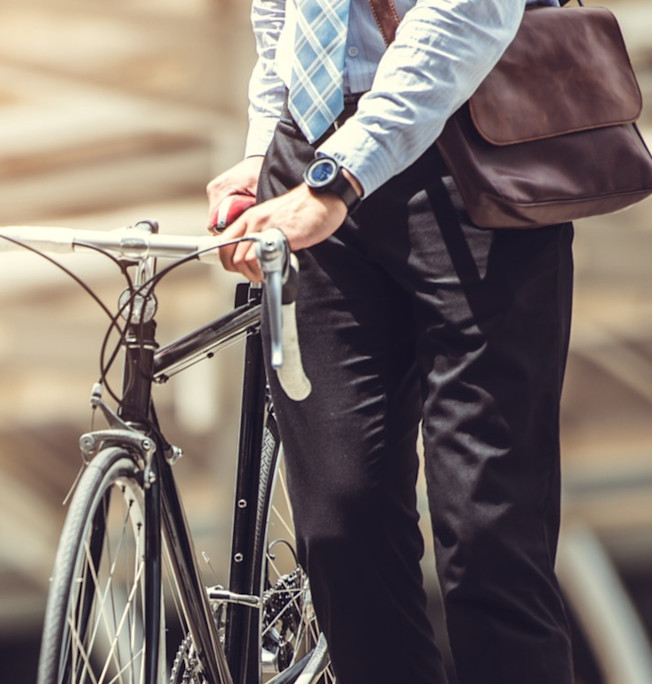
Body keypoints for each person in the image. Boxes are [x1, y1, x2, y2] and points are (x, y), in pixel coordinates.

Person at [206, 1, 576, 683]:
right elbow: (283, 16)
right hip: (314, 156)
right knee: (340, 528)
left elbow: (466, 13)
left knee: (488, 539)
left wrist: (340, 177)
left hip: (473, 147)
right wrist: (265, 149)